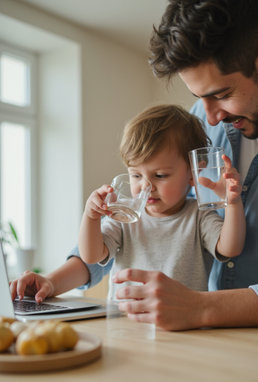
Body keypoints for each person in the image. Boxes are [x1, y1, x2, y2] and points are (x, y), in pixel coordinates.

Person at [11, 0, 258, 330]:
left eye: (221, 94)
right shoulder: (196, 126)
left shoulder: (196, 215)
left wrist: (200, 308)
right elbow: (107, 242)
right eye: (199, 97)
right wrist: (51, 281)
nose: (209, 118)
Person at [78, 104, 244, 298]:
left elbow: (230, 248)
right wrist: (90, 216)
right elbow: (91, 256)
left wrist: (232, 203)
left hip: (181, 323)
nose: (146, 186)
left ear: (194, 173)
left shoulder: (199, 216)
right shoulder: (124, 216)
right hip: (126, 321)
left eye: (160, 175)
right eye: (136, 175)